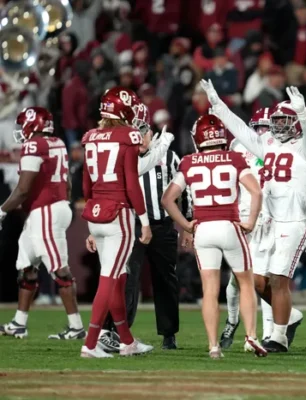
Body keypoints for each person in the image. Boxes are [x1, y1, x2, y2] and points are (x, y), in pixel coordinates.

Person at [202, 79, 306, 353]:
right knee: (256, 280)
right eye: (275, 122)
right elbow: (241, 130)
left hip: (294, 220)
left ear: (296, 124)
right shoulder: (269, 144)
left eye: (283, 121)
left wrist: (303, 113)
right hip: (270, 220)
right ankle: (290, 317)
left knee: (279, 278)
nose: (277, 127)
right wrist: (217, 104)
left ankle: (278, 337)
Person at [161, 114, 267, 359]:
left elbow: (167, 199)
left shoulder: (189, 162)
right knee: (245, 282)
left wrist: (186, 225)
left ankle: (213, 346)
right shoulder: (234, 158)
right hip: (229, 226)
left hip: (204, 230)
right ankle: (251, 337)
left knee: (209, 290)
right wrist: (251, 221)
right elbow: (256, 192)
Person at [97, 103, 180, 353]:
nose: (138, 137)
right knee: (126, 279)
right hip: (130, 225)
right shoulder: (122, 154)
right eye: (134, 131)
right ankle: (116, 332)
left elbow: (184, 192)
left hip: (161, 225)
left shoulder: (169, 157)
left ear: (150, 131)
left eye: (142, 131)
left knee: (166, 279)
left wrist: (186, 225)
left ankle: (168, 334)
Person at [80, 87, 155, 358]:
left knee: (118, 276)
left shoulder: (90, 137)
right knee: (110, 278)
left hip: (96, 214)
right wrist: (144, 221)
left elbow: (86, 184)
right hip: (118, 215)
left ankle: (127, 341)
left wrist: (91, 222)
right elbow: (132, 184)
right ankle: (90, 344)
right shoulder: (128, 136)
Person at [0, 107, 84, 340]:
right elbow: (67, 183)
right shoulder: (57, 143)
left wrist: (2, 211)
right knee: (26, 268)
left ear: (32, 124)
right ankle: (19, 323)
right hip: (51, 208)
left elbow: (23, 189)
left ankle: (76, 327)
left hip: (45, 211)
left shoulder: (33, 146)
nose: (21, 129)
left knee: (61, 272)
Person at [221, 107, 299, 348]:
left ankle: (269, 333)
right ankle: (233, 321)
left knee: (263, 276)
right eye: (259, 127)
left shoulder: (283, 147)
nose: (264, 132)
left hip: (268, 217)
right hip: (242, 215)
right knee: (239, 277)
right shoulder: (238, 146)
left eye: (268, 126)